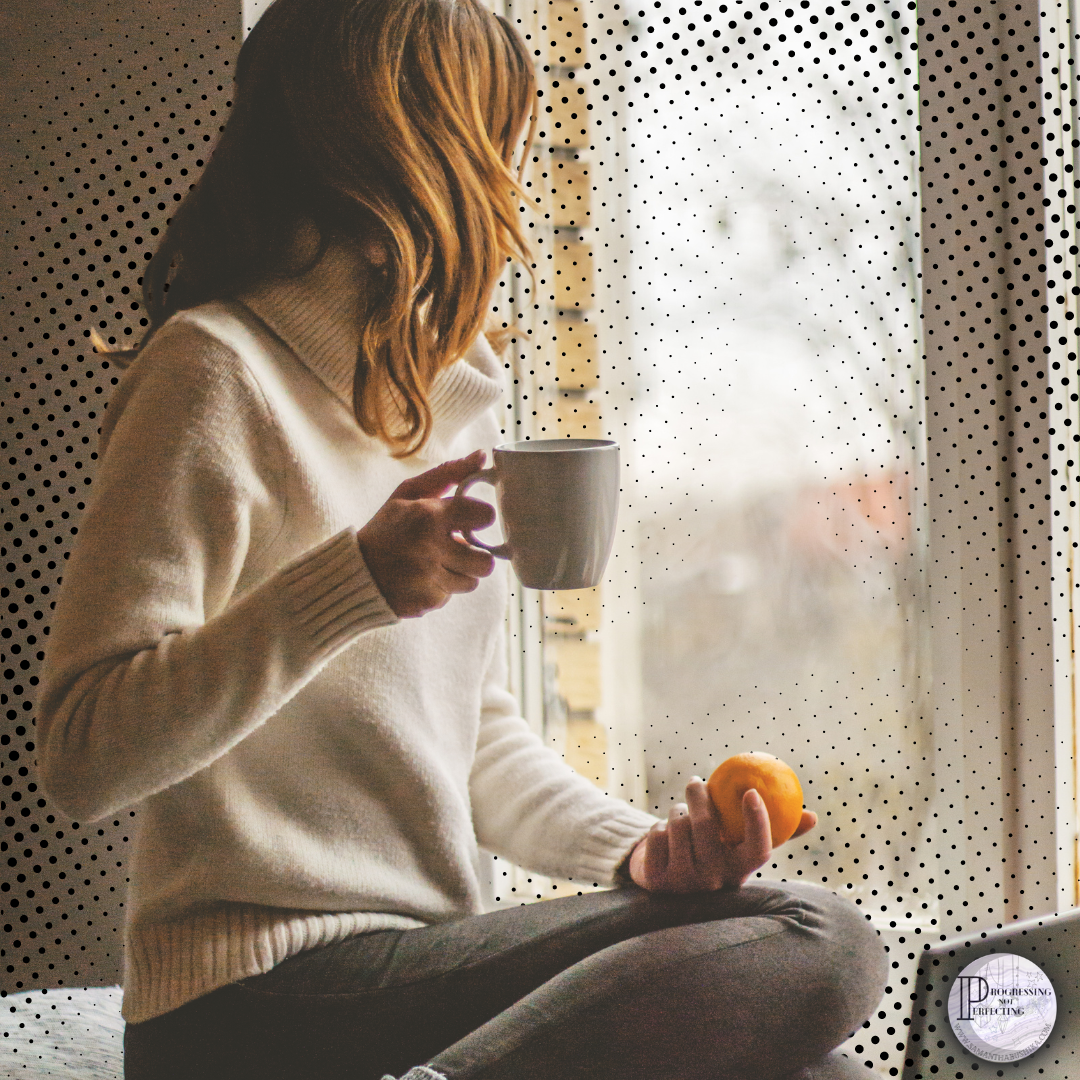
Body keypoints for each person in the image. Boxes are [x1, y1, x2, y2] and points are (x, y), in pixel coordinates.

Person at [37, 0, 887, 1077]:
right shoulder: (213, 374)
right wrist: (346, 587)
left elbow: (473, 740)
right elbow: (82, 755)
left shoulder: (442, 401)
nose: (517, 179)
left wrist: (635, 852)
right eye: (503, 136)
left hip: (414, 974)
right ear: (413, 147)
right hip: (242, 1004)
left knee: (794, 1051)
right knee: (820, 938)